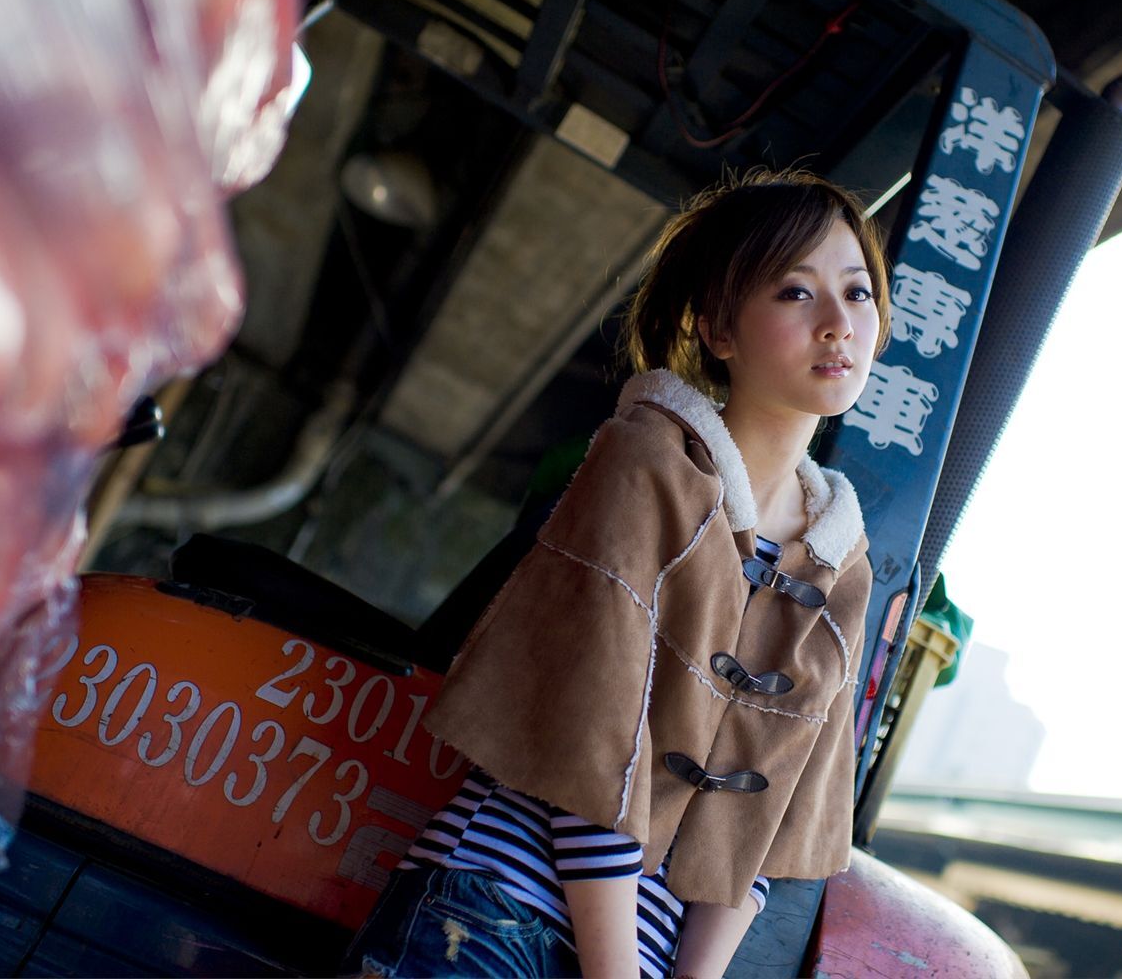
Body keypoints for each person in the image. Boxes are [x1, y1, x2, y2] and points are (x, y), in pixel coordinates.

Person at [344, 168, 890, 979]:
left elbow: (768, 828)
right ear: (719, 331)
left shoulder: (840, 563)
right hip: (492, 915)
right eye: (795, 293)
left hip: (643, 959)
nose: (839, 325)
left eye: (857, 292)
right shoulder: (647, 463)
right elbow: (588, 752)